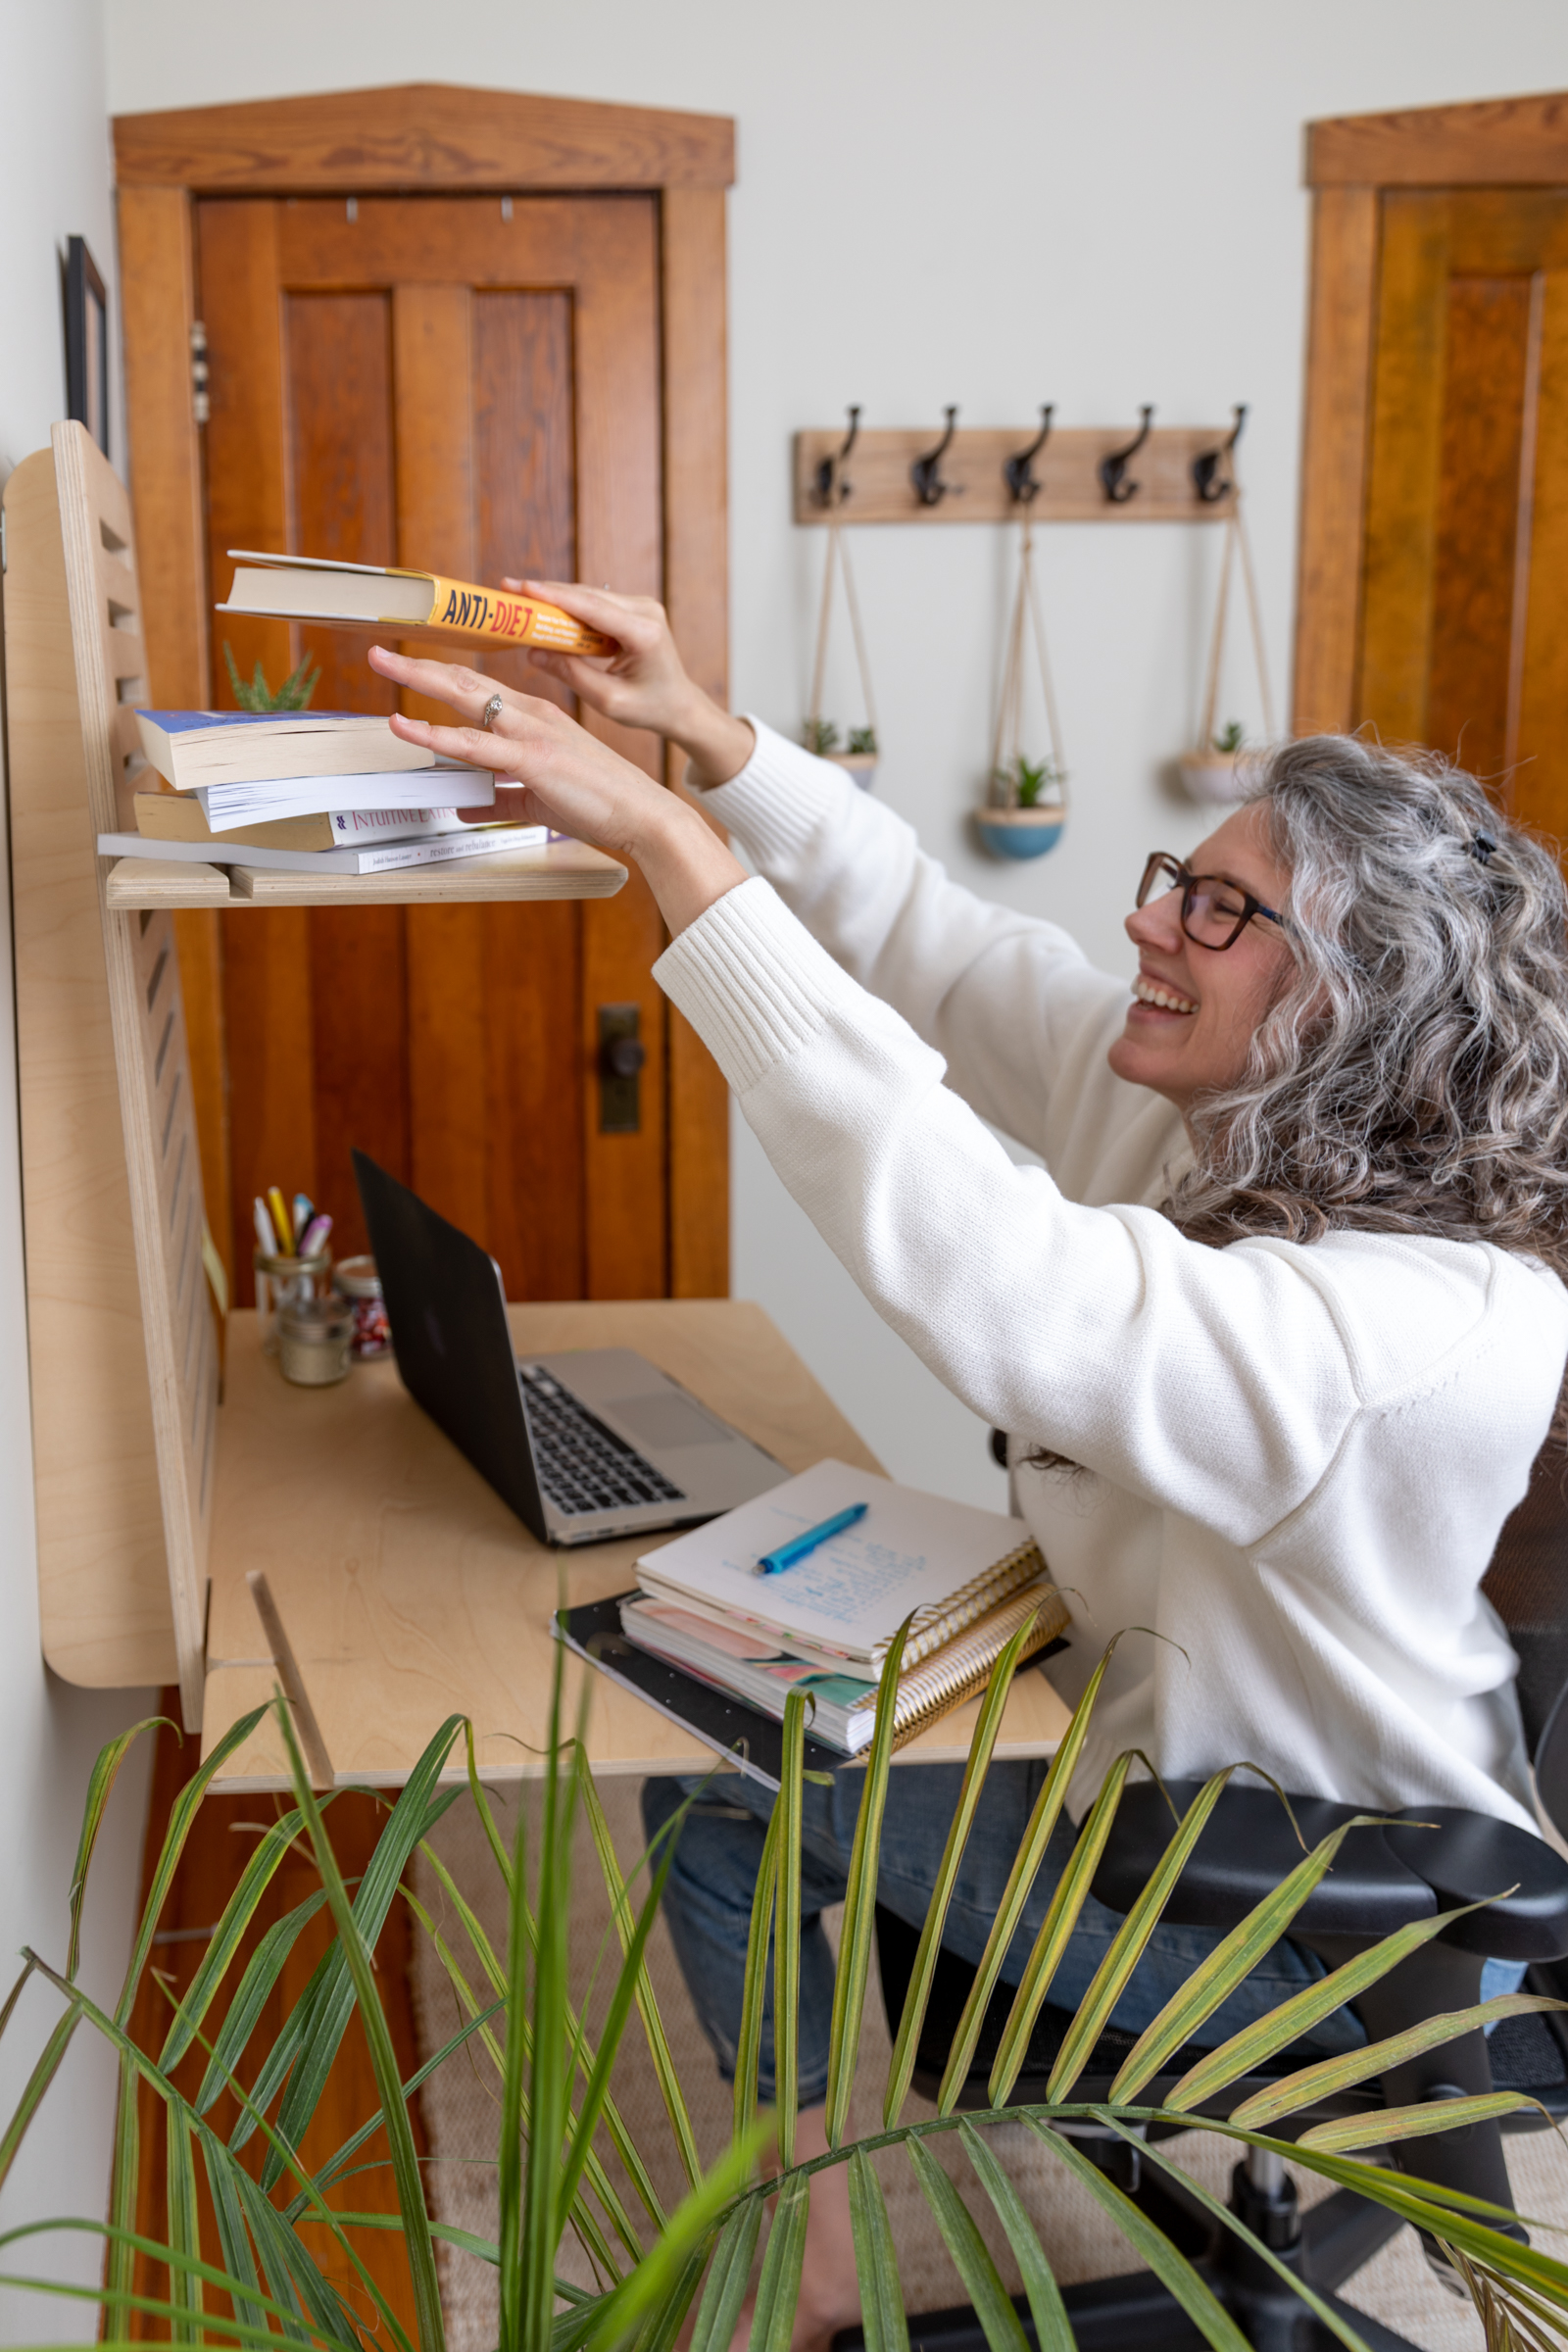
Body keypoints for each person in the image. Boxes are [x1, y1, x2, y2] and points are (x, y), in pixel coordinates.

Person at [367, 592, 1568, 2350]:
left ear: (1356, 1003)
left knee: (723, 1778)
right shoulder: (1207, 1114)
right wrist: (711, 738)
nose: (1149, 919)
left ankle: (813, 2243)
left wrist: (669, 855)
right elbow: (938, 947)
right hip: (1140, 1782)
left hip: (1308, 1931)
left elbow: (1025, 1295)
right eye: (1180, 876)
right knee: (715, 1727)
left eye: (1220, 911)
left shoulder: (1424, 1328)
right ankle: (823, 2211)